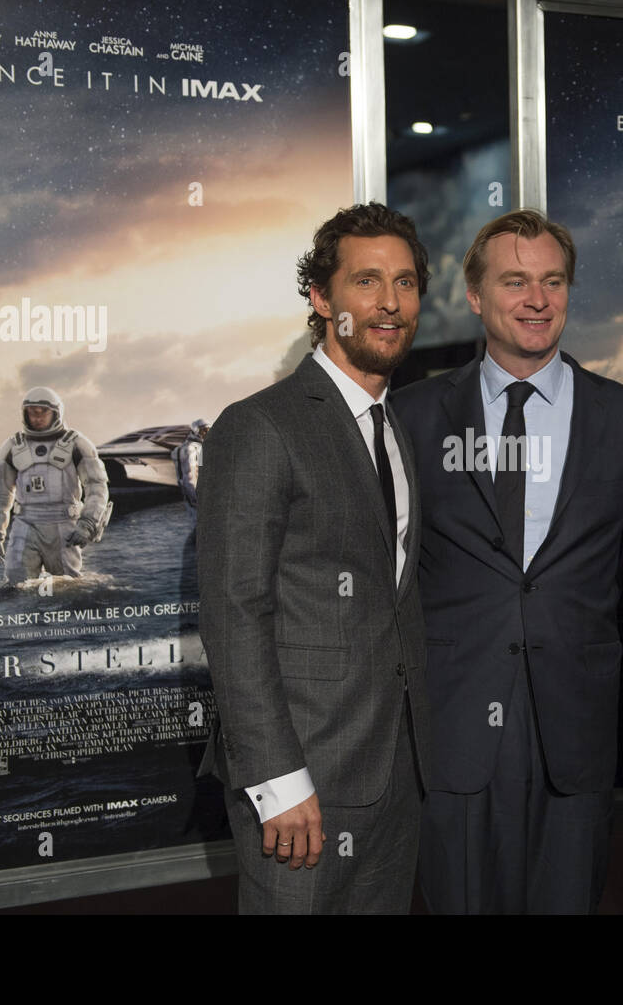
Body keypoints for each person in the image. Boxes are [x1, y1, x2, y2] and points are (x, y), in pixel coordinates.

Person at [393, 209, 623, 913]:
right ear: (475, 297)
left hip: (579, 722)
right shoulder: (412, 418)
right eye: (515, 282)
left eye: (552, 281)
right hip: (454, 721)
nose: (537, 300)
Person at [196, 203, 432, 914]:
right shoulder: (259, 426)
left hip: (395, 775)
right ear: (322, 299)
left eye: (407, 282)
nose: (390, 303)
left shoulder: (397, 425)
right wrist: (278, 780)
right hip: (304, 784)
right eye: (366, 281)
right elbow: (234, 613)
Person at [0, 387, 111, 585]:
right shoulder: (12, 447)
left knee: (68, 586)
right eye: (32, 412)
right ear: (24, 413)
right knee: (16, 585)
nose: (38, 417)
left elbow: (96, 487)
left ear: (56, 412)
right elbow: (1, 495)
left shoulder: (77, 444)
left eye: (44, 412)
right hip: (25, 524)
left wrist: (88, 523)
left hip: (64, 525)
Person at [173, 419, 209, 529]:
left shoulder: (195, 447)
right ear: (196, 431)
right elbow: (189, 477)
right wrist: (198, 498)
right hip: (194, 495)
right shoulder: (191, 448)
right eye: (204, 431)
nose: (207, 434)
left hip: (194, 494)